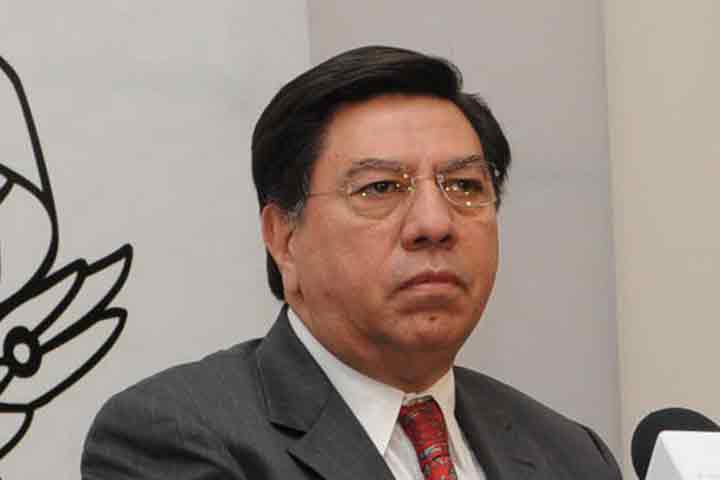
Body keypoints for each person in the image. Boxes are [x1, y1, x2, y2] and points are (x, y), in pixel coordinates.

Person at [82, 46, 622, 479]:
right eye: (381, 188)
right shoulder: (177, 437)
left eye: (464, 185)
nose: (435, 223)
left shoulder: (568, 453)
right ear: (283, 238)